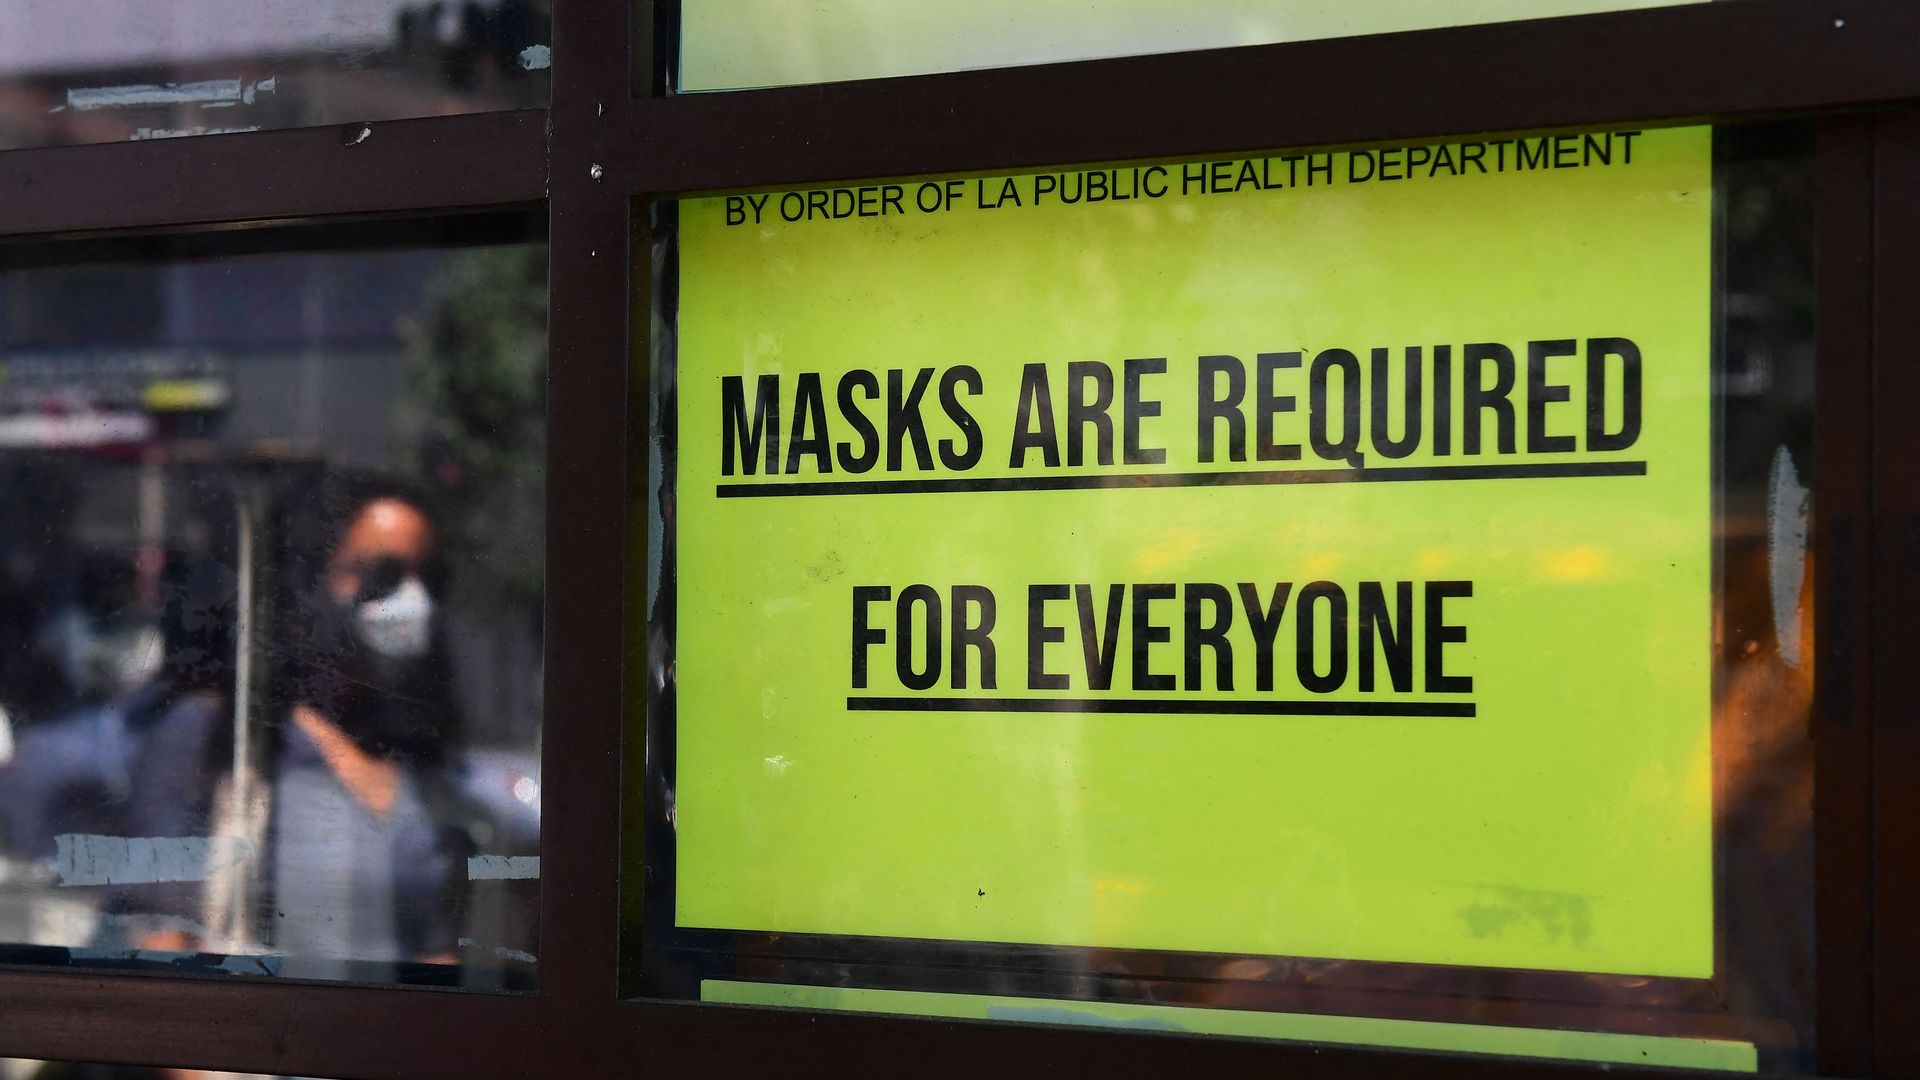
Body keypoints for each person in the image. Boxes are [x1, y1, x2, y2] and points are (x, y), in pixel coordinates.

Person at [114, 471, 488, 982]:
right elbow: (160, 941)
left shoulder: (420, 762)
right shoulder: (222, 735)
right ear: (313, 576)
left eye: (428, 576)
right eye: (382, 572)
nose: (410, 599)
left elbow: (439, 952)